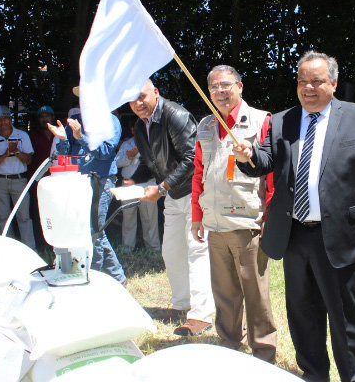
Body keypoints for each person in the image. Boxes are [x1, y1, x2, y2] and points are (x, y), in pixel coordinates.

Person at [234, 51, 355, 382]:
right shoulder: (283, 120)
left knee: (345, 316)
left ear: (333, 83)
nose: (308, 87)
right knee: (303, 314)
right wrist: (247, 156)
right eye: (302, 81)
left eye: (316, 81)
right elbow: (265, 161)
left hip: (339, 233)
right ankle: (313, 374)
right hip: (294, 234)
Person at [191, 65, 277, 362]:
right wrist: (197, 215)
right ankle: (229, 347)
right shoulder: (205, 125)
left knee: (256, 294)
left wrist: (269, 217)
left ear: (240, 86)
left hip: (247, 220)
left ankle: (264, 353)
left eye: (226, 85)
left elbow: (272, 174)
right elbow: (199, 173)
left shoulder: (261, 120)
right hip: (216, 223)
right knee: (224, 293)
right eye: (214, 87)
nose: (220, 91)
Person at [126, 79, 214, 336]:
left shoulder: (175, 115)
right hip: (174, 196)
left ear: (156, 92)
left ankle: (201, 315)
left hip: (196, 193)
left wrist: (162, 187)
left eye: (142, 96)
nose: (138, 103)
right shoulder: (140, 126)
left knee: (197, 251)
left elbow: (192, 158)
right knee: (172, 252)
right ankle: (181, 305)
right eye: (132, 100)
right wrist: (132, 182)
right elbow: (150, 162)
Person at [48, 95, 126, 285]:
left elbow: (106, 152)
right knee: (94, 230)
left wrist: (81, 138)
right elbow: (65, 153)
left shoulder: (111, 121)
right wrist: (63, 139)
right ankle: (117, 276)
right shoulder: (76, 121)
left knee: (94, 230)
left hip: (101, 180)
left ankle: (94, 275)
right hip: (80, 180)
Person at [0, 105, 36, 249]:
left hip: (19, 180)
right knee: (2, 217)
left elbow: (28, 160)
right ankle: (8, 250)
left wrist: (15, 152)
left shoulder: (22, 135)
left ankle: (30, 250)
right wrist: (5, 154)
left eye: (6, 119)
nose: (3, 122)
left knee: (24, 217)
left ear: (10, 119)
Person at [115, 116, 160, 252]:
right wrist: (129, 157)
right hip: (128, 185)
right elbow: (116, 163)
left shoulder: (152, 143)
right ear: (132, 129)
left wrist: (138, 153)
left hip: (147, 185)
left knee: (150, 218)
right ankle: (127, 247)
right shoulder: (126, 144)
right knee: (128, 218)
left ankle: (153, 248)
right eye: (137, 127)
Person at [28, 105, 56, 250]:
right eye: (42, 117)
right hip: (38, 180)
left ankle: (56, 242)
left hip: (57, 179)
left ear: (53, 117)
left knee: (56, 210)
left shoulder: (59, 134)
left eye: (47, 116)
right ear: (38, 120)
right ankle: (41, 244)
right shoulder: (32, 136)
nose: (45, 119)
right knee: (39, 212)